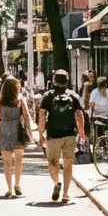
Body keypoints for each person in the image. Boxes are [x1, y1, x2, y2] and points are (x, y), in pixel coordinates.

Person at [37, 69, 85, 203]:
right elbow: (79, 115)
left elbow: (42, 115)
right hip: (69, 134)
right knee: (68, 163)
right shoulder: (73, 95)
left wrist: (41, 134)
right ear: (67, 81)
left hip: (53, 135)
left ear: (54, 81)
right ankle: (65, 194)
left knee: (53, 162)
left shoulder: (48, 96)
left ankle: (57, 182)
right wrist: (81, 131)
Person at [0, 77, 34, 197]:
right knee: (19, 159)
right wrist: (29, 131)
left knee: (7, 162)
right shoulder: (20, 99)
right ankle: (17, 184)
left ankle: (9, 188)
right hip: (17, 130)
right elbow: (26, 116)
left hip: (4, 130)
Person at [87, 76, 108, 142]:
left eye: (104, 87)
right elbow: (90, 104)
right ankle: (98, 144)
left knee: (107, 132)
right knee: (98, 133)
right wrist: (93, 104)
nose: (103, 89)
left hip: (106, 116)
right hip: (97, 116)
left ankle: (107, 144)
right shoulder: (94, 92)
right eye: (101, 87)